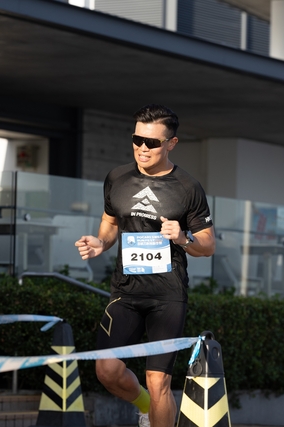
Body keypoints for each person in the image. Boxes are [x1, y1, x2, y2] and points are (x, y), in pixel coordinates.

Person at [75, 104, 215, 427]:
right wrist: (101, 242)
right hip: (125, 291)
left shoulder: (188, 187)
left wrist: (183, 238)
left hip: (167, 296)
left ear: (171, 143)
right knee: (106, 370)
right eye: (137, 140)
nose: (142, 148)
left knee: (158, 381)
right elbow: (110, 222)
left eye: (152, 142)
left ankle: (157, 412)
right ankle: (147, 410)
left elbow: (208, 245)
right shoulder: (117, 178)